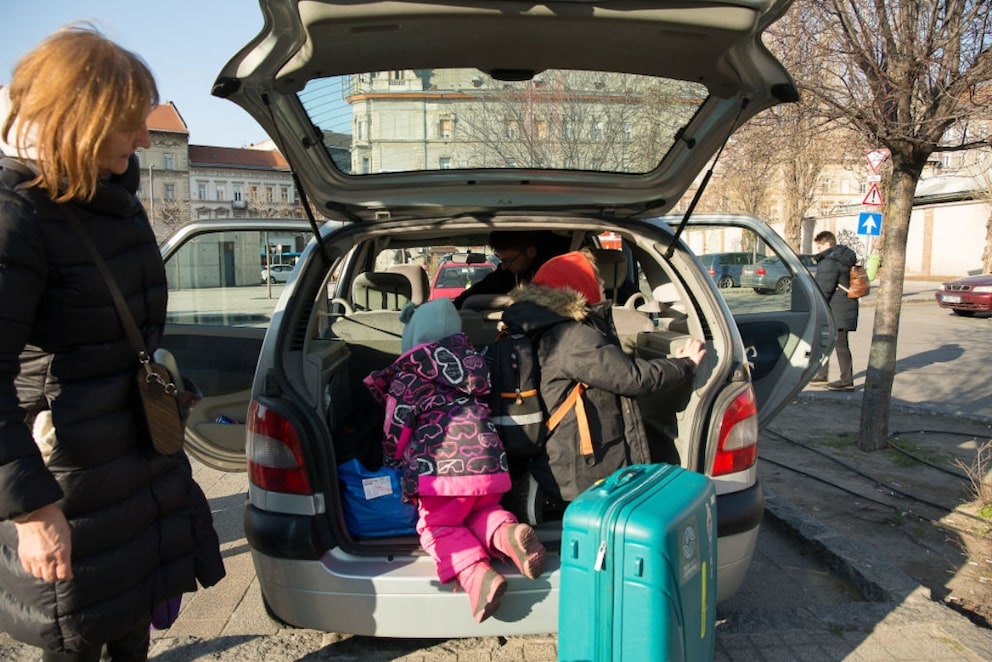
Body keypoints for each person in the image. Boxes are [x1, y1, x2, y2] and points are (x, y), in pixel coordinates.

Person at [0, 25, 225, 661]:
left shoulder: (110, 201)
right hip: (67, 480)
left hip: (130, 461)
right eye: (128, 124)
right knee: (74, 640)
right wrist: (32, 511)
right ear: (80, 122)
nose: (145, 140)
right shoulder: (15, 217)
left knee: (129, 623)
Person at [362, 298, 547, 623]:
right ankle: (510, 536)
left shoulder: (410, 374)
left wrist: (392, 461)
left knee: (438, 526)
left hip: (442, 472)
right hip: (490, 465)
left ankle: (477, 576)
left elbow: (397, 426)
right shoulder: (476, 365)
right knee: (481, 511)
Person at [501, 250, 707, 502]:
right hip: (583, 467)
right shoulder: (572, 336)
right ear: (578, 286)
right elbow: (631, 378)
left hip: (563, 455)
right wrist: (684, 364)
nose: (603, 285)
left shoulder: (539, 324)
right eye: (597, 279)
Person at [452, 230, 561, 309]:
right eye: (500, 260)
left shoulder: (554, 275)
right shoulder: (509, 273)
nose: (503, 266)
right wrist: (453, 307)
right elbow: (485, 286)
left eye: (508, 260)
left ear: (531, 252)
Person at [810, 230, 859, 391]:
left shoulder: (829, 262)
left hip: (835, 309)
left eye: (819, 246)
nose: (818, 250)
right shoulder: (842, 258)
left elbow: (824, 289)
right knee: (830, 343)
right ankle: (823, 376)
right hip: (843, 307)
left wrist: (814, 306)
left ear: (828, 244)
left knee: (837, 345)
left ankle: (846, 380)